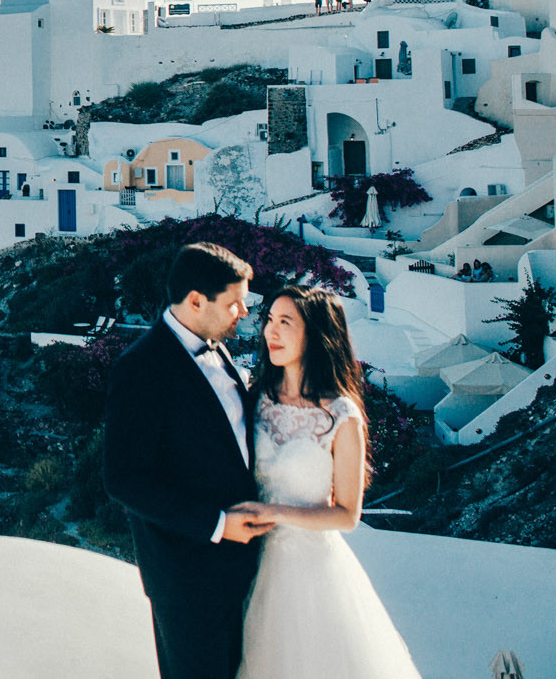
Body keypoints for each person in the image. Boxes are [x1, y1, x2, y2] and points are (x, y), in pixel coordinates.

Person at [228, 288, 422, 679]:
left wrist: (274, 512)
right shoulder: (257, 398)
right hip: (249, 564)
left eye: (286, 323)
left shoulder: (341, 414)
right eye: (269, 320)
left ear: (315, 334)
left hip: (311, 573)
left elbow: (348, 514)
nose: (271, 332)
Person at [103, 243, 269, 679]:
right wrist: (216, 525)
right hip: (187, 580)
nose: (244, 313)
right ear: (196, 300)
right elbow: (123, 479)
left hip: (238, 571)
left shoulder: (216, 346)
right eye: (235, 303)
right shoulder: (140, 368)